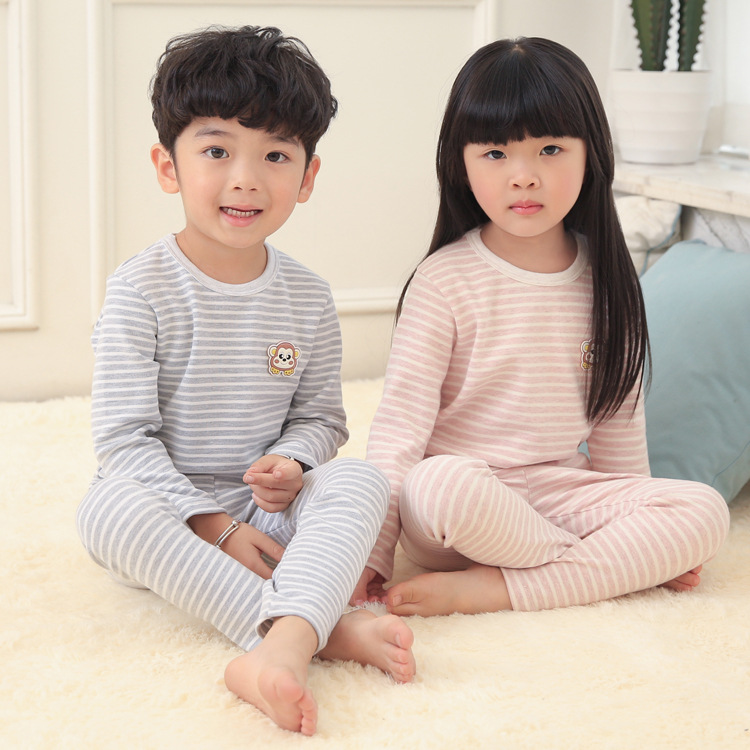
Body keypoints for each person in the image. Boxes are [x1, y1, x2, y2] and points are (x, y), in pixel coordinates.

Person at [76, 25, 415, 737]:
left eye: (276, 155)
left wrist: (292, 461)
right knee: (106, 510)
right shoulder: (140, 290)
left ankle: (286, 643)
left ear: (308, 177)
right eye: (217, 150)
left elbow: (321, 418)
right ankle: (310, 631)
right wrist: (214, 526)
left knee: (359, 481)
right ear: (168, 166)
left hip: (266, 517)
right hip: (171, 517)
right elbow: (123, 441)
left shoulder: (308, 296)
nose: (246, 178)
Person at [351, 37, 730, 617]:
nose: (524, 176)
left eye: (550, 149)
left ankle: (499, 588)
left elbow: (618, 434)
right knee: (439, 481)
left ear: (590, 154)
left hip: (559, 495)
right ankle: (586, 567)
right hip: (458, 510)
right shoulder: (443, 280)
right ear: (461, 164)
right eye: (495, 153)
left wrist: (637, 511)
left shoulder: (608, 279)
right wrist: (374, 552)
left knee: (703, 511)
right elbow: (399, 432)